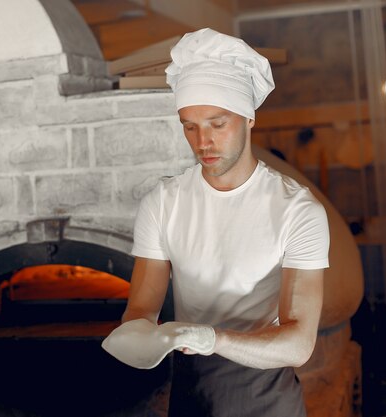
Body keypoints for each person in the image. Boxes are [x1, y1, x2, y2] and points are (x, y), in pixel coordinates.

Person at [103, 28, 330, 417]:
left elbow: (298, 343)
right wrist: (139, 337)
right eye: (189, 125)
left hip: (267, 394)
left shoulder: (297, 210)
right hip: (192, 393)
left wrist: (211, 338)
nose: (202, 141)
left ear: (248, 117)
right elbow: (140, 311)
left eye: (217, 123)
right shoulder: (163, 203)